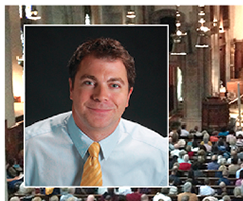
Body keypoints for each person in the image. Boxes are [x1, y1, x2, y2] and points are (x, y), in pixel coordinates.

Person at [24, 37, 167, 186]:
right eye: (89, 83)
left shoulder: (158, 155)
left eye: (114, 85)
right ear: (71, 88)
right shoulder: (30, 147)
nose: (101, 96)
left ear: (128, 96)